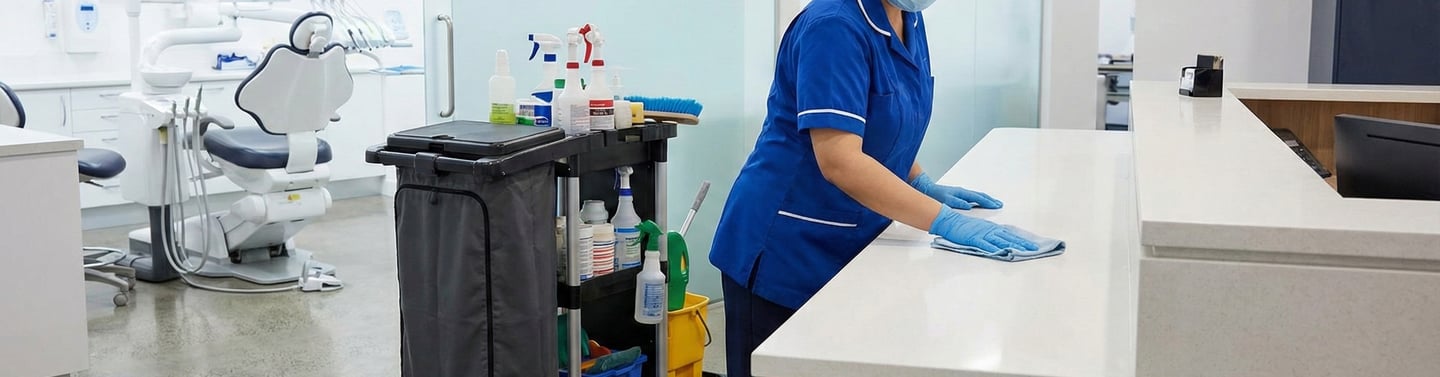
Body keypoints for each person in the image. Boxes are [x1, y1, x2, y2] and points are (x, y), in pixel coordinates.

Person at [707, 0, 1040, 375]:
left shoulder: (908, 20)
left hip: (851, 236)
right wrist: (945, 221)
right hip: (784, 245)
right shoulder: (833, 25)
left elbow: (886, 121)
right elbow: (840, 159)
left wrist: (919, 182)